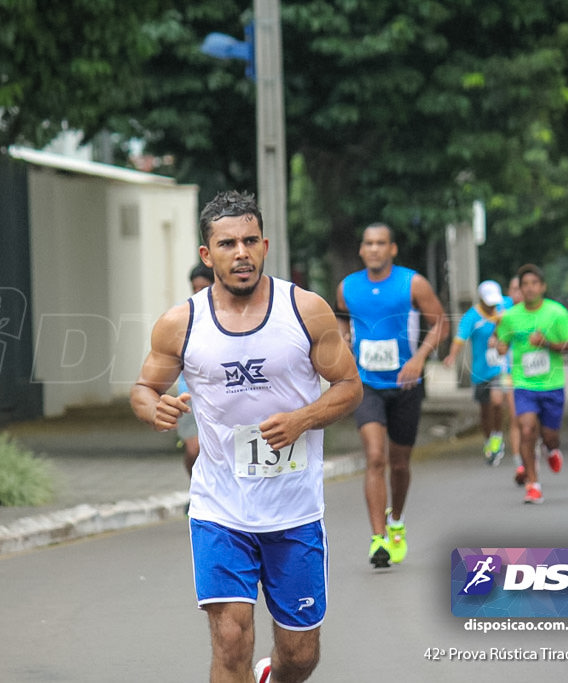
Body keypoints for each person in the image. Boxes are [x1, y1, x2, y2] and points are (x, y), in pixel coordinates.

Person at [130, 191, 362, 683]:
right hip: (220, 508)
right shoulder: (181, 323)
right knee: (231, 640)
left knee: (300, 656)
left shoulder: (305, 310)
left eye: (250, 241)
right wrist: (156, 409)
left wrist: (302, 418)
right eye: (228, 243)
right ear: (206, 254)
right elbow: (143, 389)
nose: (241, 253)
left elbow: (349, 387)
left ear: (265, 245)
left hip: (293, 510)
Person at [336, 222, 448, 568]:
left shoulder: (411, 282)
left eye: (380, 243)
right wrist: (343, 342)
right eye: (368, 243)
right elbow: (342, 321)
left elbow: (440, 322)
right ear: (361, 249)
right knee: (375, 457)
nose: (374, 249)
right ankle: (378, 538)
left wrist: (418, 358)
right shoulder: (348, 287)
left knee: (399, 463)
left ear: (392, 249)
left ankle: (396, 519)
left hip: (405, 385)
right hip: (366, 384)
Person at [495, 264, 568, 504]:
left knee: (550, 435)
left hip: (552, 384)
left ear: (542, 287)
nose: (529, 289)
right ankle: (533, 483)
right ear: (519, 289)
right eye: (525, 285)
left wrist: (547, 344)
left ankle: (552, 449)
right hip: (523, 384)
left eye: (534, 284)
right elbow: (502, 341)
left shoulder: (557, 313)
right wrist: (501, 347)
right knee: (527, 429)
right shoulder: (510, 317)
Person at [442, 280, 512, 465]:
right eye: (488, 303)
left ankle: (497, 436)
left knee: (497, 401)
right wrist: (451, 356)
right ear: (480, 299)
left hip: (501, 366)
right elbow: (460, 338)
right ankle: (489, 440)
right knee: (485, 408)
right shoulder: (471, 317)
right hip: (481, 370)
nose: (492, 306)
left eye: (494, 303)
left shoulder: (506, 305)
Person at [178, 262, 215, 478]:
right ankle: (194, 489)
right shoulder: (184, 316)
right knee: (194, 449)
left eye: (204, 288)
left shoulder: (230, 316)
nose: (199, 294)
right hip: (188, 395)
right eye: (195, 289)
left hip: (219, 394)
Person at [504, 276, 526, 484]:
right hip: (510, 374)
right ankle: (520, 463)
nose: (518, 293)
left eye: (521, 289)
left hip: (536, 377)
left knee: (530, 422)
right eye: (514, 289)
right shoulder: (504, 314)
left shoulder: (539, 313)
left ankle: (532, 455)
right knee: (515, 418)